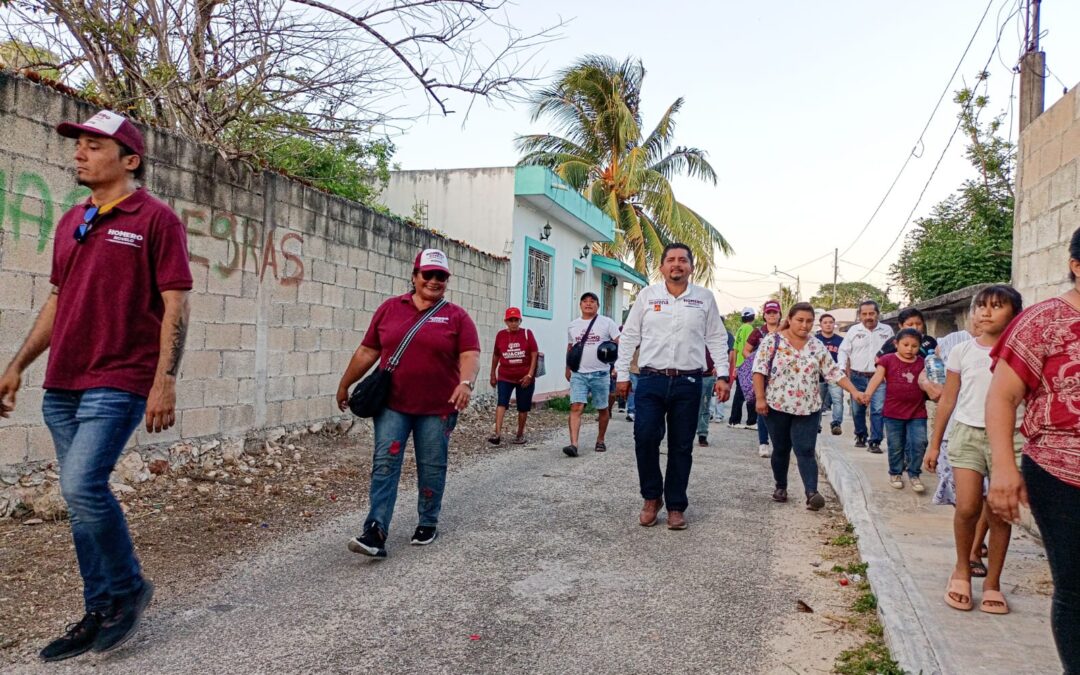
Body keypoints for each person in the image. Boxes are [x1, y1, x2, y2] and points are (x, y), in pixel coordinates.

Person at [0, 110, 192, 661]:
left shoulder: (155, 220)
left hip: (120, 377)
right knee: (80, 502)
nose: (79, 153)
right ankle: (100, 607)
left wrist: (165, 380)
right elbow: (58, 302)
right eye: (78, 144)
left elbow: (176, 302)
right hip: (64, 382)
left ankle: (128, 589)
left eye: (93, 145)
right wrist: (17, 365)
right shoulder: (71, 221)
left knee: (83, 486)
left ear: (129, 160)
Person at [337, 249, 480, 559]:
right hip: (393, 405)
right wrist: (345, 383)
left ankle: (428, 521)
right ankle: (375, 530)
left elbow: (470, 354)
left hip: (438, 408)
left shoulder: (457, 316)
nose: (433, 281)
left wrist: (465, 383)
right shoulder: (390, 309)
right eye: (427, 274)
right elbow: (367, 351)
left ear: (446, 281)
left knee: (431, 467)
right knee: (385, 465)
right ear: (414, 276)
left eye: (440, 276)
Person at [987, 227, 1080, 672]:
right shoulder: (1043, 321)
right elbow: (1002, 397)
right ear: (1076, 267)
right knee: (1076, 587)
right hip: (1060, 473)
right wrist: (1004, 469)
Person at [615, 243, 730, 530]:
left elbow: (716, 337)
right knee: (645, 438)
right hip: (651, 378)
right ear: (662, 267)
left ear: (691, 267)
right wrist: (621, 374)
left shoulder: (704, 298)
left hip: (689, 381)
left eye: (682, 260)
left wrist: (723, 375)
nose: (676, 264)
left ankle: (676, 505)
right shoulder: (647, 296)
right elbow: (629, 336)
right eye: (670, 260)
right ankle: (652, 498)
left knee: (681, 445)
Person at [924, 285, 1023, 615]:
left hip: (1007, 439)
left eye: (996, 306)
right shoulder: (962, 352)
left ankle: (993, 583)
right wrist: (935, 444)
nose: (985, 312)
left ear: (1014, 314)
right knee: (966, 507)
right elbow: (948, 400)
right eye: (981, 306)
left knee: (999, 513)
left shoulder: (1021, 351)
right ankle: (962, 570)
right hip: (966, 434)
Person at [753, 303, 863, 510]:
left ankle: (812, 493)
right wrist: (760, 398)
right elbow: (759, 370)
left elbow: (833, 372)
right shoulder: (773, 340)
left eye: (809, 321)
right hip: (777, 406)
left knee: (805, 449)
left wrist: (855, 391)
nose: (804, 325)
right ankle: (781, 486)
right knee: (781, 449)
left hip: (808, 407)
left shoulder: (816, 345)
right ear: (790, 319)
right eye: (800, 320)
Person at [860, 329, 928, 491]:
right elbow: (877, 377)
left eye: (914, 346)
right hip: (893, 412)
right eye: (905, 345)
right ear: (896, 344)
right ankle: (895, 472)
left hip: (917, 412)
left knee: (919, 442)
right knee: (895, 444)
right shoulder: (887, 360)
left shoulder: (923, 363)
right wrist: (868, 394)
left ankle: (914, 474)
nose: (909, 349)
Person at [563, 293, 620, 456]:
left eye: (592, 301)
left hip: (601, 373)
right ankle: (573, 444)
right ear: (580, 305)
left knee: (603, 408)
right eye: (585, 301)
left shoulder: (607, 323)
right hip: (579, 373)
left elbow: (618, 343)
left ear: (598, 305)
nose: (588, 304)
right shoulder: (573, 325)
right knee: (576, 406)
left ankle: (600, 440)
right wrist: (567, 367)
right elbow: (570, 348)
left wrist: (615, 365)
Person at [838, 300, 895, 452]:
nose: (868, 317)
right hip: (858, 377)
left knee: (878, 409)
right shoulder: (854, 331)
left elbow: (893, 351)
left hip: (880, 378)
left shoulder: (887, 330)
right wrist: (842, 368)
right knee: (858, 410)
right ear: (860, 315)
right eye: (864, 314)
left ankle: (875, 441)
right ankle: (861, 435)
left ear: (877, 314)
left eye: (871, 313)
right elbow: (844, 350)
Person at [488, 307, 538, 445]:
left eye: (516, 320)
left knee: (523, 407)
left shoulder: (527, 334)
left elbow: (534, 354)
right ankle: (497, 433)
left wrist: (530, 374)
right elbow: (496, 355)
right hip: (505, 375)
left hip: (524, 377)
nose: (513, 323)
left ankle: (520, 434)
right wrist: (492, 373)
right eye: (511, 320)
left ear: (520, 320)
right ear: (506, 321)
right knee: (501, 402)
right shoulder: (500, 335)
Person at [745, 300, 782, 457]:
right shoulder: (758, 333)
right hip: (763, 377)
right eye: (769, 313)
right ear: (764, 315)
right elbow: (745, 351)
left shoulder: (786, 331)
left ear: (780, 314)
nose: (772, 315)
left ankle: (779, 443)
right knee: (763, 409)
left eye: (775, 312)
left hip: (781, 377)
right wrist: (758, 363)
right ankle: (763, 443)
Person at [728, 307, 758, 429]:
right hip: (747, 365)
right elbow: (748, 348)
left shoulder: (740, 329)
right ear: (753, 317)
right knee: (749, 394)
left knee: (740, 394)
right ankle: (749, 421)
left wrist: (735, 366)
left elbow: (735, 350)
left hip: (740, 365)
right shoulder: (750, 329)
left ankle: (735, 420)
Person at [815, 313, 845, 435]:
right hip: (819, 376)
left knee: (838, 400)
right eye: (825, 322)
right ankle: (816, 425)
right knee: (817, 402)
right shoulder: (815, 340)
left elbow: (845, 358)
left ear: (834, 324)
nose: (828, 325)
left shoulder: (841, 341)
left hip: (835, 376)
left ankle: (836, 423)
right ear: (821, 324)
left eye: (830, 322)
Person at [625, 347, 640, 422]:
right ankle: (631, 412)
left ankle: (637, 412)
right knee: (633, 390)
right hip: (633, 368)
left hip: (648, 369)